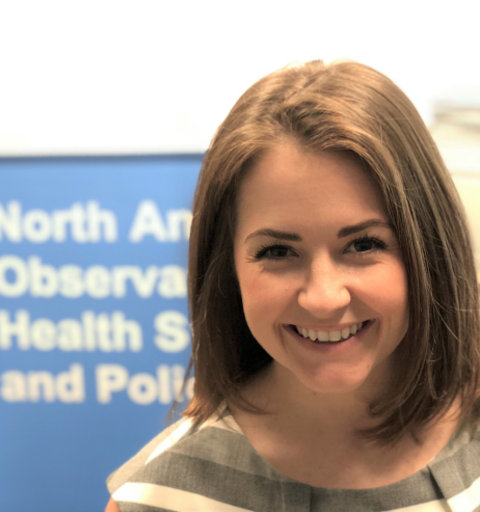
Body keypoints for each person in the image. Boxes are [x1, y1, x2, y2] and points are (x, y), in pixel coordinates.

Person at [105, 60, 480, 511]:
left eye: (363, 244)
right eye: (278, 253)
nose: (323, 298)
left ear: (429, 251)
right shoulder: (162, 498)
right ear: (228, 274)